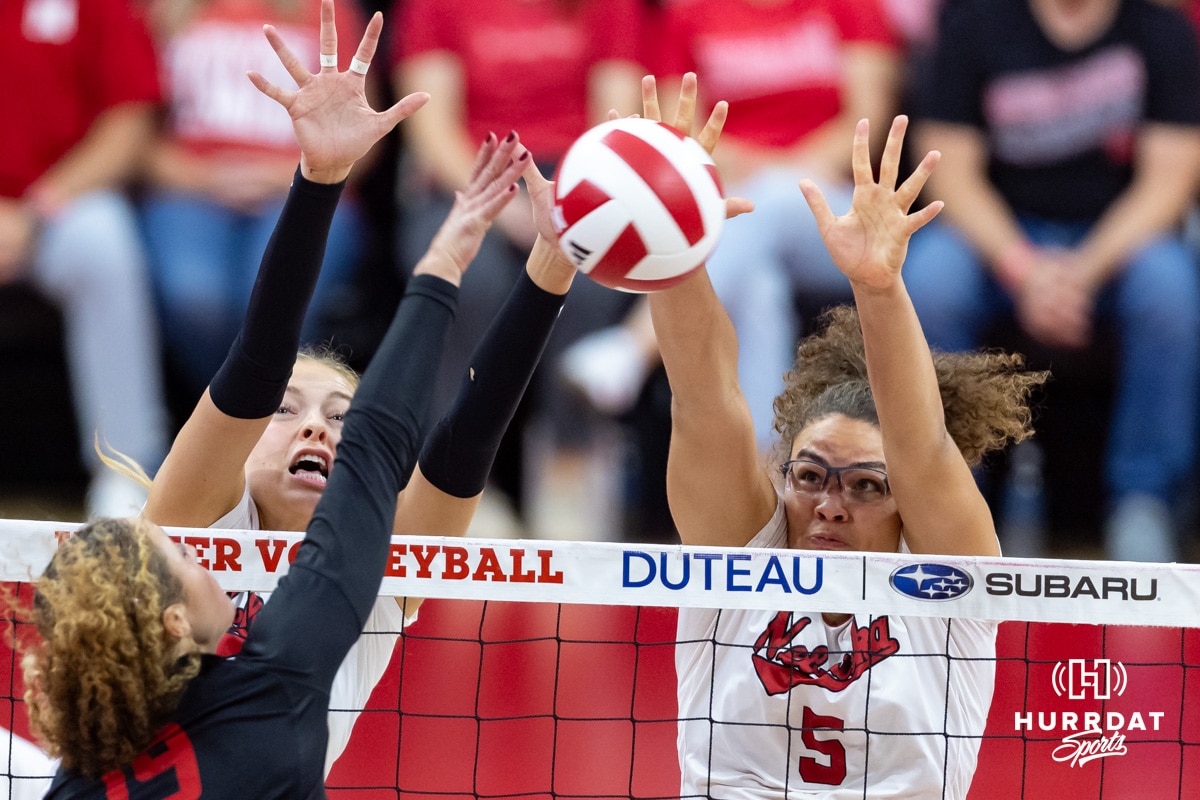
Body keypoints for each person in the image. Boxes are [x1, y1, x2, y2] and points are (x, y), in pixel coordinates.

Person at [22, 3, 541, 795]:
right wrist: (321, 179)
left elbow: (464, 443)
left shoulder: (386, 563)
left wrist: (554, 274)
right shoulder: (188, 529)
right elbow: (256, 363)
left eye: (340, 416)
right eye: (289, 412)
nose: (319, 429)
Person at [644, 75, 1045, 796]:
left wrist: (878, 287)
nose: (829, 504)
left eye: (865, 486)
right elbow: (704, 399)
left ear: (904, 505)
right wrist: (672, 239)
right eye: (809, 476)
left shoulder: (947, 585)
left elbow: (918, 445)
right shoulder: (741, 555)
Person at [902, 0, 1200, 561]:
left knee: (1170, 286)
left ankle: (1145, 502)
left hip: (1114, 242)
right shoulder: (973, 23)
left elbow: (1170, 180)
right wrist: (1025, 269)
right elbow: (951, 172)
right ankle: (947, 498)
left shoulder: (1162, 29)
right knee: (931, 280)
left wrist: (1081, 272)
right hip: (996, 240)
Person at [562, 0, 900, 448]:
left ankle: (635, 346)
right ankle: (766, 473)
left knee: (765, 202)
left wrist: (783, 173)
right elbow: (681, 134)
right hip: (734, 204)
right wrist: (759, 170)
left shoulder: (851, 6)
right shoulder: (690, 14)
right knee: (759, 287)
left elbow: (866, 123)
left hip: (834, 209)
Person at [390, 0, 644, 524]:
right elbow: (431, 127)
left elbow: (616, 122)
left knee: (591, 283)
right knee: (467, 281)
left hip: (578, 174)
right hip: (469, 173)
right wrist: (499, 198)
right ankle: (455, 485)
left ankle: (568, 473)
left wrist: (566, 199)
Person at [138, 0, 373, 401]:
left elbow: (365, 139)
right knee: (194, 297)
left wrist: (286, 176)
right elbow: (135, 139)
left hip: (307, 185)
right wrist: (206, 178)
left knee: (275, 305)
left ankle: (239, 434)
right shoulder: (161, 12)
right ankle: (246, 422)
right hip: (189, 191)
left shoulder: (327, 11)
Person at [1, 0, 171, 517]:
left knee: (105, 243)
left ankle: (123, 473)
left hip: (58, 203)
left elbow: (129, 121)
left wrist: (34, 210)